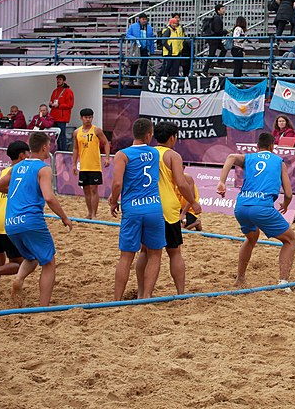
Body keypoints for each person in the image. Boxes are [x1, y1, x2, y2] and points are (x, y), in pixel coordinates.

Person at [0, 132, 73, 306]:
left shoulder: (17, 167)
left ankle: (19, 279)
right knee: (49, 262)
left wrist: (20, 193)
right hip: (30, 221)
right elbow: (49, 197)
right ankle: (43, 307)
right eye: (49, 145)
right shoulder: (43, 168)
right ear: (44, 147)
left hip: (10, 223)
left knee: (31, 257)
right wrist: (65, 218)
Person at [217, 132, 295, 288]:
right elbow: (288, 193)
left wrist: (222, 181)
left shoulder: (250, 158)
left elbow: (230, 158)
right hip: (261, 208)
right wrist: (286, 205)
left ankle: (240, 279)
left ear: (257, 147)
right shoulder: (279, 161)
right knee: (290, 240)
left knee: (251, 238)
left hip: (241, 207)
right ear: (272, 146)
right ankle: (283, 283)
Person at [136, 122, 200, 295]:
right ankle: (180, 293)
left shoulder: (146, 153)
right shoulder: (173, 155)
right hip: (167, 208)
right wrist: (193, 202)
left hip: (146, 204)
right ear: (172, 137)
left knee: (145, 251)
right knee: (174, 251)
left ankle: (142, 292)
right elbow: (181, 183)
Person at [109, 118, 166, 301]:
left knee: (126, 257)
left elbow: (117, 182)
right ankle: (146, 296)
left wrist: (113, 200)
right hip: (154, 208)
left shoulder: (122, 155)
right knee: (155, 254)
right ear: (149, 135)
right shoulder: (155, 153)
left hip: (132, 209)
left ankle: (117, 300)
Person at [0, 140, 30, 301]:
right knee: (20, 262)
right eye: (28, 153)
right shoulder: (21, 171)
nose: (29, 156)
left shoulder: (4, 172)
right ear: (22, 155)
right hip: (8, 221)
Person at [71, 107, 111, 219]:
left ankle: (94, 214)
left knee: (94, 189)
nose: (88, 119)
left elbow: (106, 143)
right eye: (86, 117)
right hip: (83, 165)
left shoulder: (96, 130)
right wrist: (74, 164)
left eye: (90, 117)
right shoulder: (76, 132)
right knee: (86, 190)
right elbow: (75, 148)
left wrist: (107, 158)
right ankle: (89, 213)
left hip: (95, 165)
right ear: (81, 118)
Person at [201, 3, 229, 75]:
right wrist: (225, 32)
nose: (224, 10)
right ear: (218, 10)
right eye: (222, 9)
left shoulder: (217, 18)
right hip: (214, 40)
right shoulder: (217, 19)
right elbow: (217, 31)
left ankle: (217, 64)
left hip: (216, 40)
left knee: (223, 49)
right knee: (211, 54)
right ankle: (205, 70)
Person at [126, 13, 155, 81]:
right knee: (134, 63)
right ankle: (131, 79)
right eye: (143, 19)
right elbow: (128, 35)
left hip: (145, 48)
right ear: (139, 19)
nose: (144, 20)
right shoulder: (133, 26)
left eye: (145, 19)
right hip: (136, 48)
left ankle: (143, 79)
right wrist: (134, 38)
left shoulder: (149, 28)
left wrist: (152, 50)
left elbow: (151, 39)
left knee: (144, 64)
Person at [49, 74, 74, 151]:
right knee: (54, 135)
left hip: (62, 117)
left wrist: (59, 105)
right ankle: (55, 150)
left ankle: (63, 151)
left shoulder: (68, 91)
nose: (58, 81)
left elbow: (70, 105)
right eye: (57, 80)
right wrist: (50, 104)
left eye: (60, 79)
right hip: (53, 116)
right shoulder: (55, 91)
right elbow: (52, 101)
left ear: (64, 81)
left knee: (62, 135)